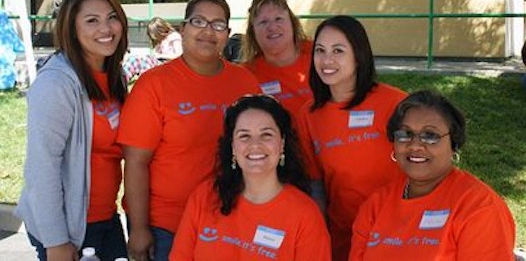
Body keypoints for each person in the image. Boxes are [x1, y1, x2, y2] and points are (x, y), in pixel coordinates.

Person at [117, 0, 260, 261]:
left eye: (218, 24)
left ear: (227, 33)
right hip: (167, 226)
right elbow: (135, 162)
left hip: (229, 221)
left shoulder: (245, 83)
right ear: (183, 29)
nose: (208, 31)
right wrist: (138, 229)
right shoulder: (153, 85)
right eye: (199, 21)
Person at [14, 0, 129, 260]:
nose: (106, 28)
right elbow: (42, 167)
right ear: (71, 29)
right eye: (92, 21)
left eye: (112, 17)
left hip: (106, 217)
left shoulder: (116, 76)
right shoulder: (57, 83)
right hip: (69, 227)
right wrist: (56, 240)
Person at [350, 90, 516, 260]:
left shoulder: (479, 207)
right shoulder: (375, 206)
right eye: (405, 134)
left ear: (453, 145)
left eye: (430, 136)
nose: (415, 145)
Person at [297, 15, 407, 261]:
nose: (327, 60)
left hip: (396, 234)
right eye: (320, 50)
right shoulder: (309, 114)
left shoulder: (395, 103)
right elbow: (316, 187)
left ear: (358, 56)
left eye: (338, 50)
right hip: (343, 237)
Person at [169, 94, 331, 260]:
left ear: (282, 143)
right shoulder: (204, 197)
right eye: (244, 136)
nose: (255, 145)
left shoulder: (305, 216)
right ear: (232, 146)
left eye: (266, 135)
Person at [242, 0, 312, 118]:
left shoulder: (318, 53)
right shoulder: (247, 74)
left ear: (292, 23)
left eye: (278, 19)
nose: (272, 27)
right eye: (263, 22)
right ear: (253, 32)